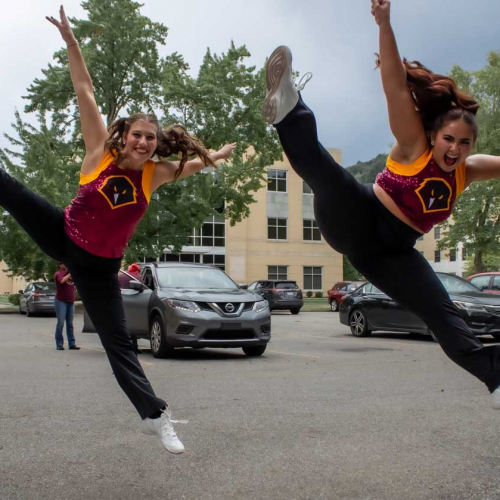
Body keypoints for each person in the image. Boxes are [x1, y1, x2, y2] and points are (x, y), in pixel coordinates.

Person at [0, 6, 235, 454]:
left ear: (156, 144)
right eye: (137, 134)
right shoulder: (99, 151)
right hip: (63, 233)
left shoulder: (155, 174)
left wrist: (215, 156)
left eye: (151, 137)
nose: (143, 142)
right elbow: (84, 90)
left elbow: (192, 168)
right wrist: (72, 43)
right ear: (124, 135)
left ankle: (154, 417)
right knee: (9, 189)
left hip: (100, 269)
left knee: (119, 345)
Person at [262, 0, 500, 408]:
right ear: (434, 135)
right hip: (359, 216)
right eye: (448, 139)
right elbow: (395, 87)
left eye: (464, 144)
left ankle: (494, 377)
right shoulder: (414, 144)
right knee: (327, 174)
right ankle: (288, 109)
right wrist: (384, 24)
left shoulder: (469, 169)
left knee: (443, 314)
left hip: (391, 254)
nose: (454, 150)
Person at [118, 263, 144, 354]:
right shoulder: (137, 278)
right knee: (133, 326)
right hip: (134, 305)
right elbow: (143, 290)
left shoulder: (121, 277)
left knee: (122, 325)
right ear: (136, 271)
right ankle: (134, 347)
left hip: (121, 302)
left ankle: (121, 346)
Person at [54, 262, 79, 351]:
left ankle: (71, 344)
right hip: (60, 301)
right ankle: (59, 344)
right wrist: (70, 273)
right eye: (63, 263)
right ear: (60, 265)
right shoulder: (58, 273)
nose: (66, 264)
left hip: (70, 302)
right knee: (61, 323)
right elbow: (62, 281)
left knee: (70, 324)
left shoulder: (71, 273)